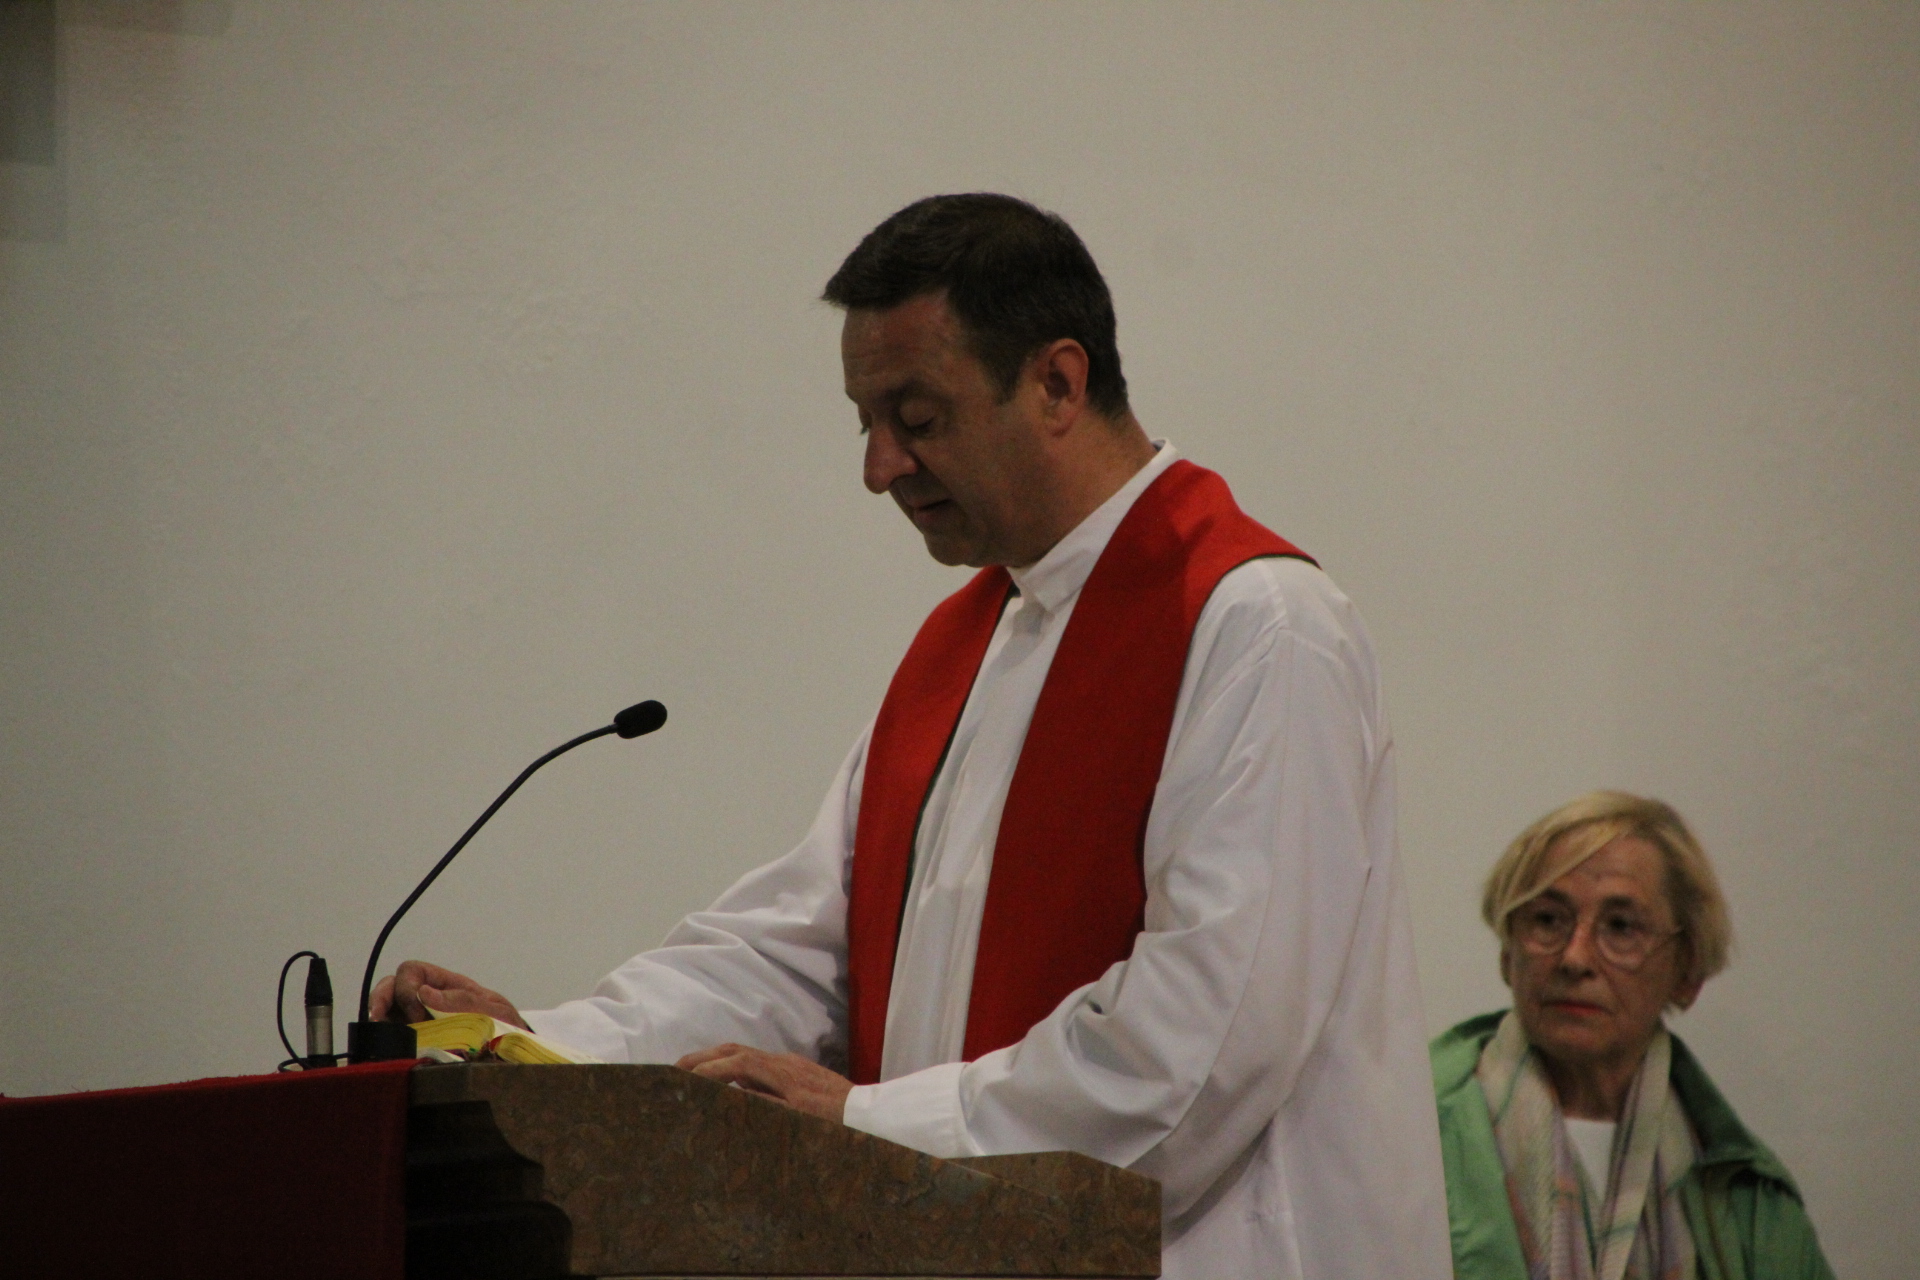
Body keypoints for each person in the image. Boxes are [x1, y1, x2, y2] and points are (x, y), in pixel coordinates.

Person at [374, 193, 1450, 1278]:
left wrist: (872, 1122)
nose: (880, 466)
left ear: (1058, 383)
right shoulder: (963, 646)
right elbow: (798, 954)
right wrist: (541, 1046)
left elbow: (1207, 1045)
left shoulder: (1257, 624)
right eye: (866, 424)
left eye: (919, 418)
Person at [1431, 791, 1835, 1280]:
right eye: (1547, 920)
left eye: (1621, 927)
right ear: (1506, 951)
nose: (1575, 958)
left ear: (1686, 973)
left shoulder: (1746, 1193)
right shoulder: (1414, 1132)